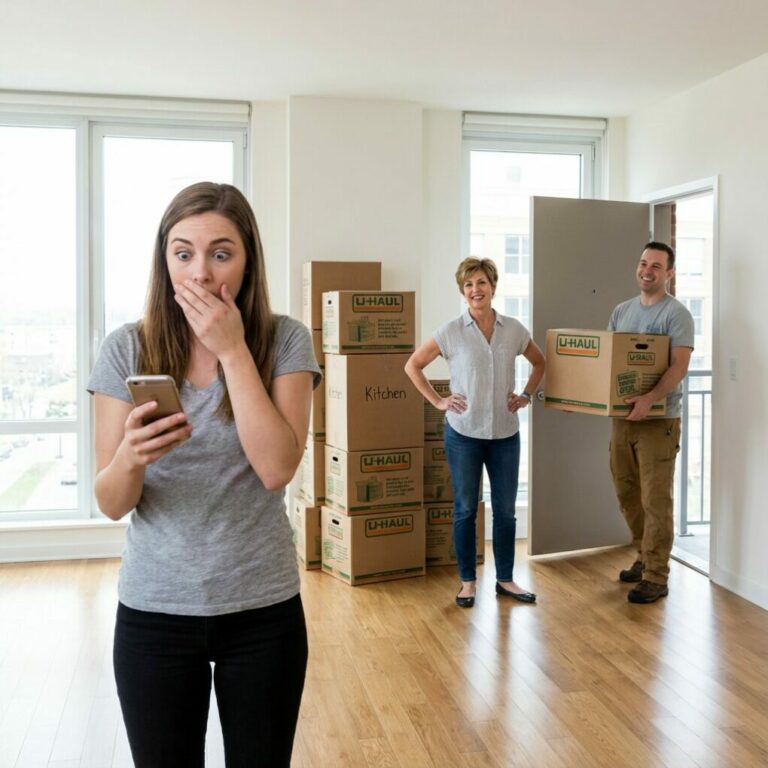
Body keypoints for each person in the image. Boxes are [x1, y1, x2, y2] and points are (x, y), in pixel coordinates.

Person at [87, 182, 321, 767]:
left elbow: (276, 469)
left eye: (221, 253)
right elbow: (111, 502)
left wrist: (234, 351)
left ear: (247, 262)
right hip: (154, 613)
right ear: (164, 262)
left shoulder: (285, 340)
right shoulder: (126, 349)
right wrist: (131, 458)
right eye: (182, 252)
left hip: (262, 611)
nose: (200, 271)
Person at [405, 257, 545, 608]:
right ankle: (467, 582)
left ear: (493, 286)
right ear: (462, 291)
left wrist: (526, 395)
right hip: (464, 434)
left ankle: (506, 580)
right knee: (466, 509)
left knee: (506, 511)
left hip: (504, 435)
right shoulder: (451, 331)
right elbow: (413, 365)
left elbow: (540, 361)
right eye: (468, 285)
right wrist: (438, 401)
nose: (475, 290)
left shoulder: (513, 329)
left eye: (481, 283)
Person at [609, 241, 694, 604]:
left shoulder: (676, 315)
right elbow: (608, 365)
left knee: (656, 499)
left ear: (669, 273)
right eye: (644, 263)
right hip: (622, 419)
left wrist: (649, 399)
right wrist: (582, 400)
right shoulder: (621, 311)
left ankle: (657, 576)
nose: (648, 270)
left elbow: (679, 366)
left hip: (659, 421)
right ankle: (644, 556)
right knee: (628, 494)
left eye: (657, 266)